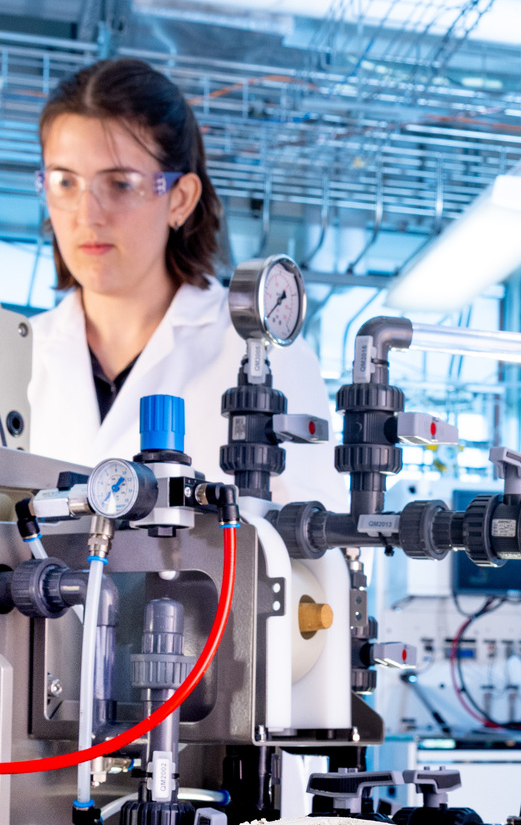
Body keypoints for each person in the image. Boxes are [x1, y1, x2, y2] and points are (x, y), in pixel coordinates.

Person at [25, 57, 341, 503]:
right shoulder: (19, 354)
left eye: (119, 183)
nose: (86, 214)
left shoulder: (258, 354)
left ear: (180, 198)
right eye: (64, 182)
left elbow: (322, 557)